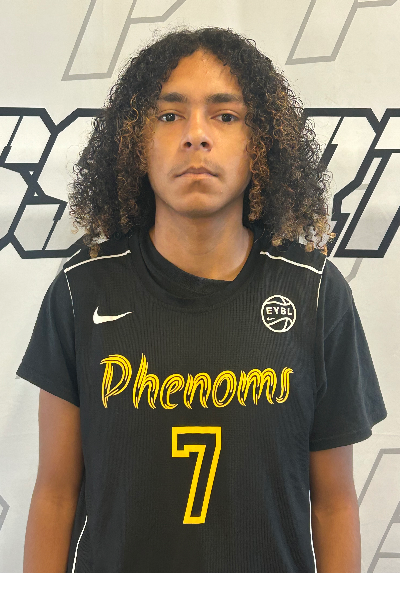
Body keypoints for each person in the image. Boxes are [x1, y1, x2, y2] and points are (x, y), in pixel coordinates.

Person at [17, 27, 386, 573]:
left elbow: (332, 503)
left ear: (259, 142)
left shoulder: (313, 293)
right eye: (169, 115)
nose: (196, 135)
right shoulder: (83, 289)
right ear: (135, 143)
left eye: (225, 115)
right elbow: (55, 493)